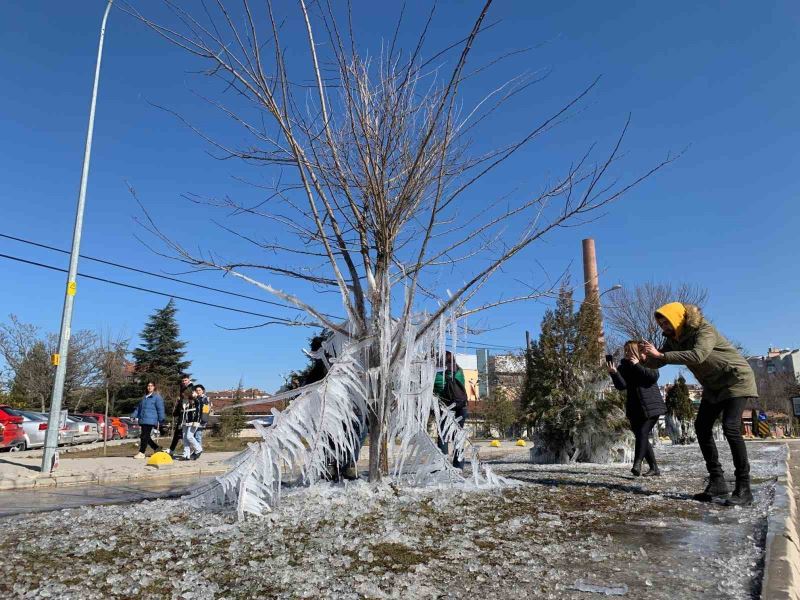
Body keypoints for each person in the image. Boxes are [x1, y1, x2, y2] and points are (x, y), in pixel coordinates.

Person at [641, 302, 758, 506]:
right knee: (702, 427)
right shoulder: (673, 339)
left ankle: (744, 488)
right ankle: (717, 481)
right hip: (713, 386)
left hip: (735, 379)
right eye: (661, 325)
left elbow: (698, 355)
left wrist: (660, 355)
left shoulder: (704, 329)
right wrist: (643, 359)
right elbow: (660, 361)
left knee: (730, 427)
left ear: (677, 318)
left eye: (666, 323)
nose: (664, 328)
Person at [608, 341, 666, 477]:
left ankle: (637, 463)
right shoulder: (623, 367)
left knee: (642, 432)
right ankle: (654, 468)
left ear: (636, 351)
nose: (626, 353)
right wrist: (614, 373)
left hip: (652, 406)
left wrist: (637, 365)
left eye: (629, 350)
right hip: (635, 408)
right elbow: (621, 386)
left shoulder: (649, 362)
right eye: (625, 350)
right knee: (642, 436)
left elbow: (652, 377)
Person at [433, 351, 469, 469]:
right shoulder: (460, 372)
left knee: (443, 437)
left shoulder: (437, 377)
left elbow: (433, 391)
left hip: (446, 409)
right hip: (462, 408)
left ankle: (442, 466)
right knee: (458, 436)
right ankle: (459, 466)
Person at [131, 381, 166, 459]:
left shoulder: (157, 397)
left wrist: (161, 420)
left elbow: (160, 409)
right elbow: (138, 408)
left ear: (154, 387)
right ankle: (157, 448)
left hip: (151, 420)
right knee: (145, 436)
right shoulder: (144, 397)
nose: (149, 387)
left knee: (144, 436)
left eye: (151, 386)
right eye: (148, 386)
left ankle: (142, 452)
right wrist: (133, 415)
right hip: (143, 419)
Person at [168, 374, 193, 457]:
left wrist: (181, 398)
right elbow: (180, 402)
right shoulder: (182, 388)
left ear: (189, 380)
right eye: (183, 381)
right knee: (178, 433)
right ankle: (172, 450)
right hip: (182, 413)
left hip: (187, 414)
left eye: (185, 380)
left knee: (185, 434)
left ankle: (191, 450)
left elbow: (187, 398)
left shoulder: (191, 387)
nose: (184, 382)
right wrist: (176, 412)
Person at [180, 386, 202, 460]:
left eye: (185, 393)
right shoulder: (184, 400)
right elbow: (182, 412)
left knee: (189, 436)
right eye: (182, 393)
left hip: (193, 421)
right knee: (185, 438)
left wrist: (196, 421)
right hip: (185, 421)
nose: (183, 394)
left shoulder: (197, 399)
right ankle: (186, 454)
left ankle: (198, 449)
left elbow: (199, 411)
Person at [192, 384, 211, 459]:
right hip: (195, 420)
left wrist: (203, 420)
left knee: (197, 436)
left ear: (202, 391)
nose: (198, 391)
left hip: (201, 420)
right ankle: (196, 450)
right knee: (193, 436)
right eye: (197, 390)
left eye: (199, 390)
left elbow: (206, 409)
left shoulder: (205, 398)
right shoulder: (196, 398)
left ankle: (198, 451)